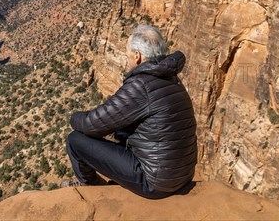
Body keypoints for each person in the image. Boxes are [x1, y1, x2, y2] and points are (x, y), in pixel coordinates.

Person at [62, 25, 197, 199]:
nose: (126, 58)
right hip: (182, 174)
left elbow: (92, 124)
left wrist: (73, 117)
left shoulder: (141, 84)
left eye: (127, 53)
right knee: (121, 131)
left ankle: (93, 189)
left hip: (156, 182)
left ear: (137, 56)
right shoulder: (171, 77)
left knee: (75, 140)